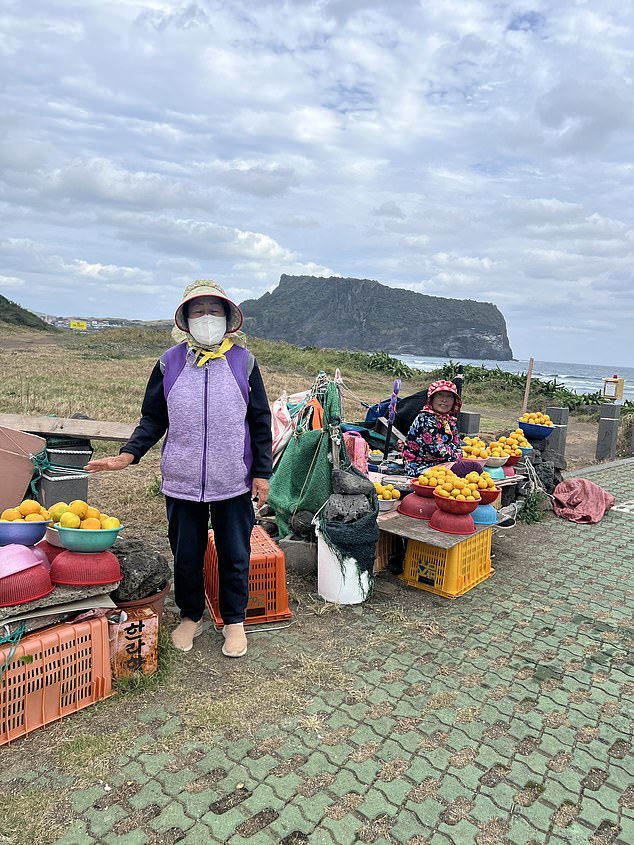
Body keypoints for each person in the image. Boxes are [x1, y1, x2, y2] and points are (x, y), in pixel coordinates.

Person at [85, 279, 272, 658]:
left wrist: (262, 473)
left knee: (235, 554)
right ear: (185, 319)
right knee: (186, 554)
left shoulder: (244, 362)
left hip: (232, 479)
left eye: (214, 310)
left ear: (228, 318)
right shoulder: (169, 363)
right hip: (182, 480)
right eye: (198, 311)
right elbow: (153, 418)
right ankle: (191, 616)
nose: (207, 317)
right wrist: (128, 454)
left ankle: (234, 621)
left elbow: (259, 421)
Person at [403, 379, 462, 476]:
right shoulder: (425, 419)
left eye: (449, 396)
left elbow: (459, 449)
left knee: (471, 468)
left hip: (441, 466)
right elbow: (437, 451)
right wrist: (450, 452)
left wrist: (444, 453)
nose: (444, 400)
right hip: (420, 468)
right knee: (471, 468)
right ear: (432, 399)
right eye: (440, 395)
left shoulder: (449, 421)